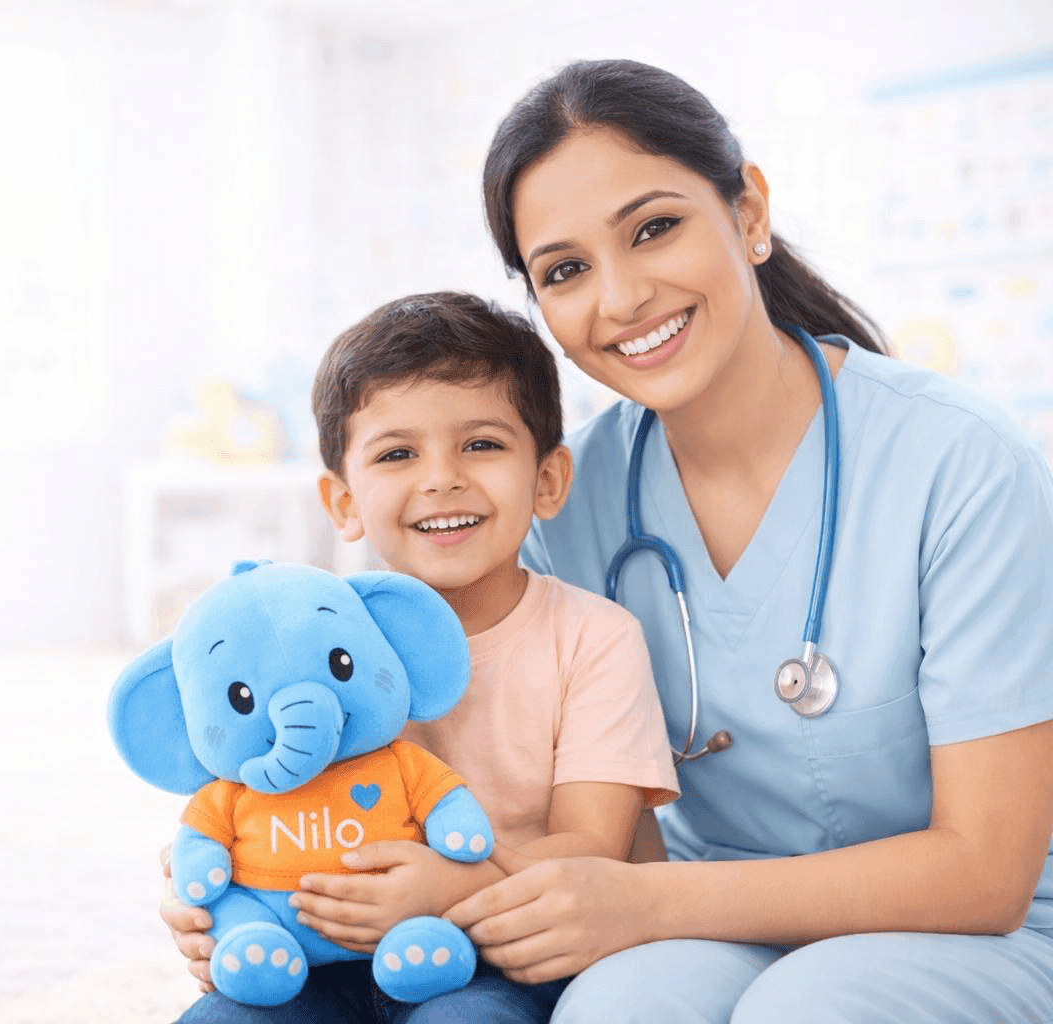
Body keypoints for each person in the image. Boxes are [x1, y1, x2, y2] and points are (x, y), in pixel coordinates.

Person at [435, 58, 1053, 1022]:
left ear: (749, 212)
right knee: (615, 1009)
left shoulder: (958, 460)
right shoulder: (568, 499)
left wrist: (647, 904)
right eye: (565, 270)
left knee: (810, 1009)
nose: (621, 297)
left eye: (654, 228)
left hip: (973, 931)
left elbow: (986, 872)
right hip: (709, 921)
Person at [163, 290, 680, 1023]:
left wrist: (453, 887)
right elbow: (232, 803)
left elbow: (593, 847)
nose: (441, 479)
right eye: (397, 454)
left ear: (548, 479)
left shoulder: (595, 638)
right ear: (343, 503)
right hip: (316, 951)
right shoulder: (304, 638)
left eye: (482, 444)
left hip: (507, 954)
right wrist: (204, 906)